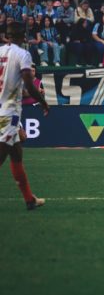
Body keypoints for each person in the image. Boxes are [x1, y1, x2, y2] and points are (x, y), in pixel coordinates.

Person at [0, 24, 49, 210]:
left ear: (8, 36)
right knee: (3, 154)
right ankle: (29, 199)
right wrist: (43, 102)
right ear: (25, 36)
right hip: (8, 111)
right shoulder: (22, 55)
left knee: (16, 153)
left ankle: (29, 199)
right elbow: (29, 83)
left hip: (5, 109)